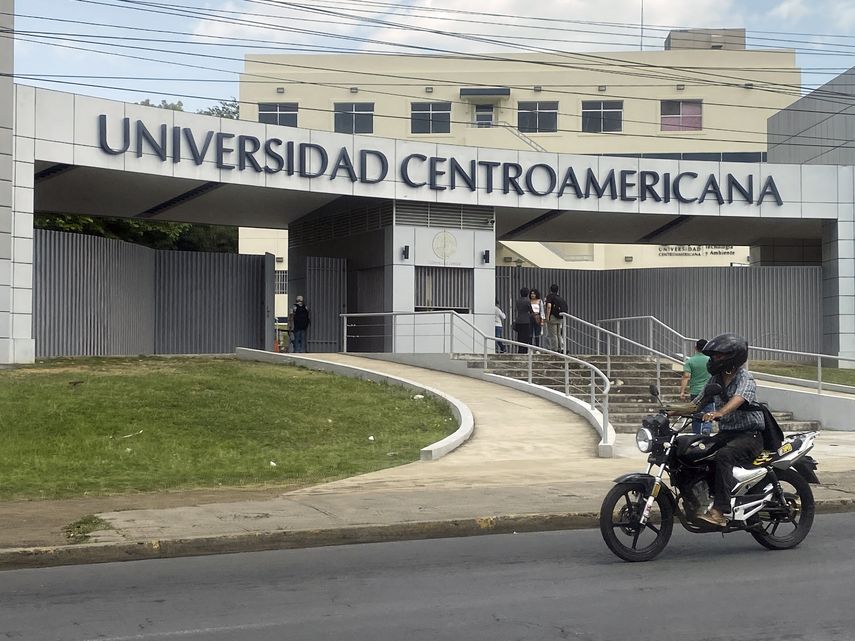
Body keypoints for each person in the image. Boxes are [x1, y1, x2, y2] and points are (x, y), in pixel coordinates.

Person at [693, 333, 765, 528]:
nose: (713, 359)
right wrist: (669, 411)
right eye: (713, 356)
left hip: (750, 435)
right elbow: (697, 403)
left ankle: (720, 511)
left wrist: (720, 412)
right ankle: (702, 499)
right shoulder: (715, 379)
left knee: (724, 455)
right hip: (727, 434)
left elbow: (739, 398)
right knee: (697, 452)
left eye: (718, 356)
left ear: (733, 356)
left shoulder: (745, 377)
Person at [680, 338, 714, 435]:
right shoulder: (711, 360)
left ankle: (696, 434)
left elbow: (686, 376)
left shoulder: (690, 361)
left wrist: (682, 391)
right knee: (709, 411)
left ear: (695, 348)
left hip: (695, 391)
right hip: (709, 391)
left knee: (696, 413)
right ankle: (707, 428)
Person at [544, 284, 567, 352]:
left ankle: (555, 349)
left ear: (550, 289)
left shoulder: (550, 296)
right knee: (558, 334)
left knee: (553, 334)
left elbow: (549, 306)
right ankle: (560, 348)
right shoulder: (559, 297)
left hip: (552, 317)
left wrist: (547, 317)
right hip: (559, 317)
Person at [513, 287, 532, 353]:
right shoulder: (528, 301)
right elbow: (531, 310)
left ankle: (520, 349)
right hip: (526, 320)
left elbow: (516, 310)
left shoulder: (518, 301)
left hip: (519, 320)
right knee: (526, 337)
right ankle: (524, 350)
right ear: (527, 293)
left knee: (520, 336)